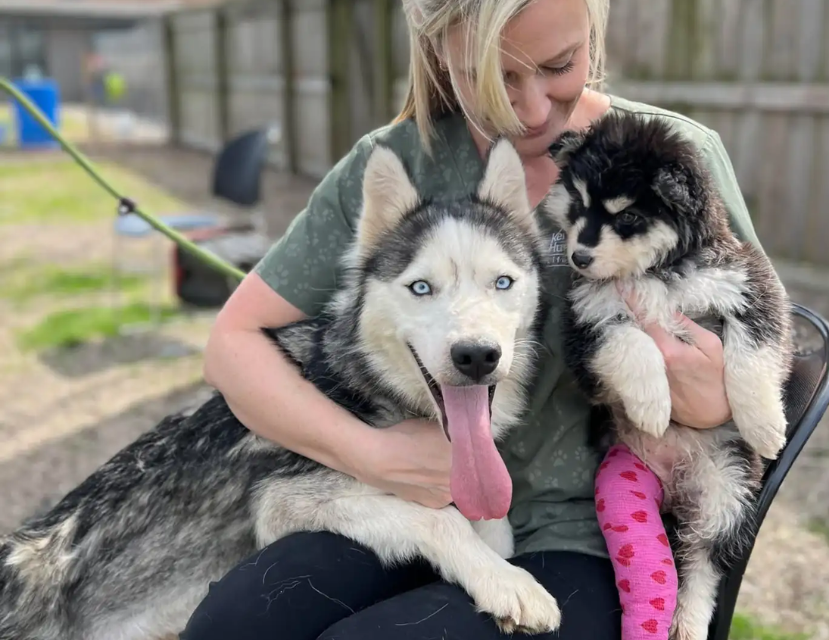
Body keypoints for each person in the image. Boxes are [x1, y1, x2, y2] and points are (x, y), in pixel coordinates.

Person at [180, 0, 765, 638]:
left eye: (561, 64)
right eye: (493, 80)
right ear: (438, 58)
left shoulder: (667, 159)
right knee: (231, 624)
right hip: (408, 500)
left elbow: (764, 341)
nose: (534, 109)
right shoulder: (393, 163)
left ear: (595, 31)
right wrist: (372, 455)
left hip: (595, 534)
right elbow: (232, 344)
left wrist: (711, 403)